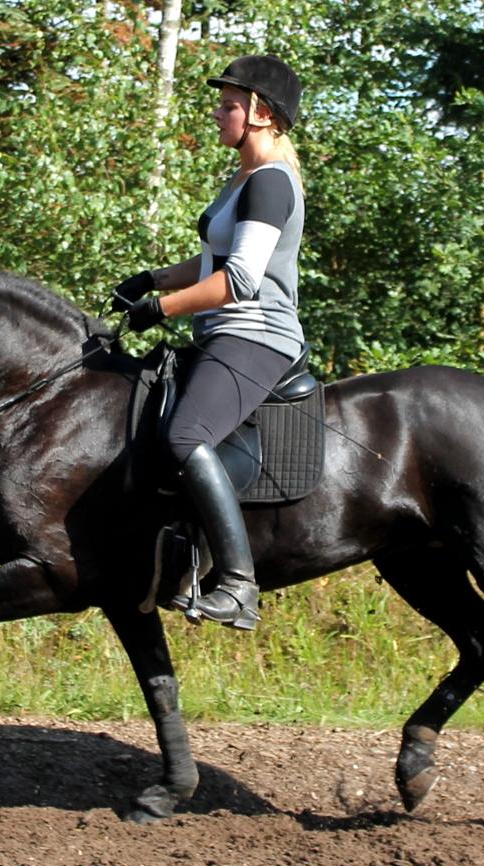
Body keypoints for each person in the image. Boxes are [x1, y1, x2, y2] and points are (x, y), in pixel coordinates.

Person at [112, 54, 307, 631]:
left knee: (184, 435)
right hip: (223, 331)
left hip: (257, 336)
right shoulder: (243, 177)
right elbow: (213, 260)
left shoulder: (271, 182)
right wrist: (151, 280)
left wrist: (161, 309)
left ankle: (240, 585)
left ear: (262, 115)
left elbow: (242, 280)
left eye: (228, 105)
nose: (217, 113)